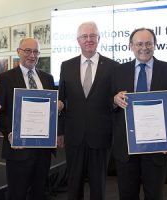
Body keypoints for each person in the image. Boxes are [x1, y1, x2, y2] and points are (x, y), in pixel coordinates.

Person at [112, 28, 167, 200]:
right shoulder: (118, 71)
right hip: (127, 148)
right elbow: (107, 103)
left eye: (148, 43)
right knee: (127, 195)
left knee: (154, 195)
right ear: (131, 46)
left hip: (157, 148)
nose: (144, 48)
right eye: (139, 44)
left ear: (155, 45)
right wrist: (114, 100)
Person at [58, 21, 118, 200]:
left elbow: (117, 100)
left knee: (98, 184)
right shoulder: (66, 66)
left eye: (93, 36)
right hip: (74, 135)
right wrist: (60, 131)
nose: (89, 39)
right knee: (73, 183)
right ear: (78, 40)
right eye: (85, 36)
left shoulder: (113, 67)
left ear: (99, 38)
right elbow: (61, 101)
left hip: (101, 135)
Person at [0, 38, 61, 200]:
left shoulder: (47, 78)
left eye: (36, 52)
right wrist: (9, 133)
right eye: (28, 51)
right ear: (18, 52)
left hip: (43, 150)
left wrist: (58, 108)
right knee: (17, 194)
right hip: (18, 150)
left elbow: (50, 112)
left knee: (39, 193)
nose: (32, 55)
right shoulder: (5, 78)